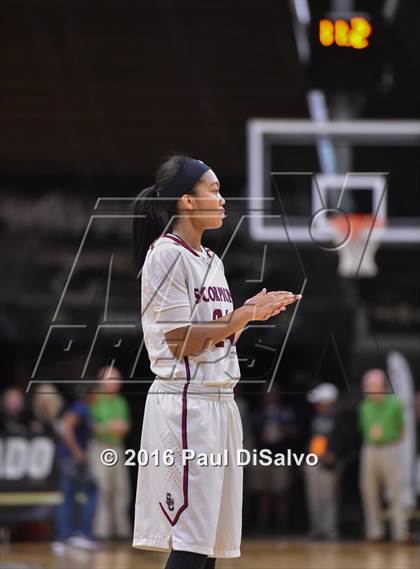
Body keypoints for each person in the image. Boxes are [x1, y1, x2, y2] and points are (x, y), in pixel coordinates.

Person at [131, 154, 301, 569]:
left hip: (218, 404)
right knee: (190, 542)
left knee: (207, 541)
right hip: (187, 405)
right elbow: (178, 341)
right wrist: (243, 316)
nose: (223, 200)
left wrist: (247, 313)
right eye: (214, 190)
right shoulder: (166, 255)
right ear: (187, 202)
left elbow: (215, 334)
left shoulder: (211, 260)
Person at [358, 368, 408, 542]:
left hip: (390, 448)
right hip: (370, 449)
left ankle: (400, 533)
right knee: (368, 490)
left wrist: (388, 438)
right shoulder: (364, 406)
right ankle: (375, 532)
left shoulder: (395, 403)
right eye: (366, 384)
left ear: (381, 385)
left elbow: (402, 430)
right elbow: (364, 429)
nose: (367, 388)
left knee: (395, 491)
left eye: (370, 384)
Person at [90, 365, 132, 540]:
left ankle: (121, 531)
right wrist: (109, 427)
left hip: (117, 447)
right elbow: (90, 426)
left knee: (121, 489)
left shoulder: (121, 401)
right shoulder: (94, 400)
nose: (117, 382)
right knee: (103, 489)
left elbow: (126, 425)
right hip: (100, 447)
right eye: (112, 379)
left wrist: (117, 427)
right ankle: (102, 531)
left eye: (117, 378)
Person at [53, 390, 98, 553]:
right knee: (87, 492)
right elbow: (66, 428)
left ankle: (67, 536)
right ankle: (76, 535)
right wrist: (78, 452)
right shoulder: (81, 408)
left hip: (68, 458)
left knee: (72, 495)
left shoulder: (81, 408)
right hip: (71, 460)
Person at [250, 389, 297, 534]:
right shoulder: (258, 414)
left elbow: (296, 431)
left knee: (281, 491)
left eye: (273, 394)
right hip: (262, 455)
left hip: (281, 455)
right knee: (263, 492)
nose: (270, 397)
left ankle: (281, 525)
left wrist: (284, 430)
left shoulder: (286, 412)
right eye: (267, 394)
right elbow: (251, 431)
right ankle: (263, 524)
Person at [304, 382, 339, 540]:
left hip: (328, 463)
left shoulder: (339, 419)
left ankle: (329, 530)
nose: (316, 406)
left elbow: (345, 440)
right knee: (314, 497)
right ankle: (316, 529)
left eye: (320, 403)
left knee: (328, 497)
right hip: (313, 461)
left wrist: (334, 454)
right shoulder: (315, 418)